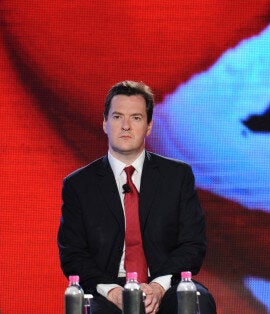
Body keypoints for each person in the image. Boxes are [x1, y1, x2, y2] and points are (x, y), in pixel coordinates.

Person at [57, 81, 217, 313]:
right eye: (117, 117)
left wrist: (158, 287)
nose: (125, 126)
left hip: (165, 284)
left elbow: (192, 244)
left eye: (136, 118)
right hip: (108, 289)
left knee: (194, 300)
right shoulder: (79, 185)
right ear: (104, 123)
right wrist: (113, 292)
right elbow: (73, 254)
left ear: (149, 126)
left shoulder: (177, 176)